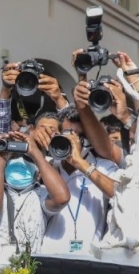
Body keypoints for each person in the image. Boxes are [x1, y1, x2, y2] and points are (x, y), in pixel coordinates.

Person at [0, 116, 70, 274]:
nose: (20, 163)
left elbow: (62, 198)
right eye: (14, 157)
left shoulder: (40, 195)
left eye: (26, 159)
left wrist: (36, 153)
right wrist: (1, 159)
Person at [39, 105, 120, 256]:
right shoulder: (49, 167)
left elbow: (118, 193)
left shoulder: (104, 167)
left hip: (89, 257)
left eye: (79, 137)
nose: (72, 142)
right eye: (67, 135)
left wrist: (80, 164)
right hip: (49, 254)